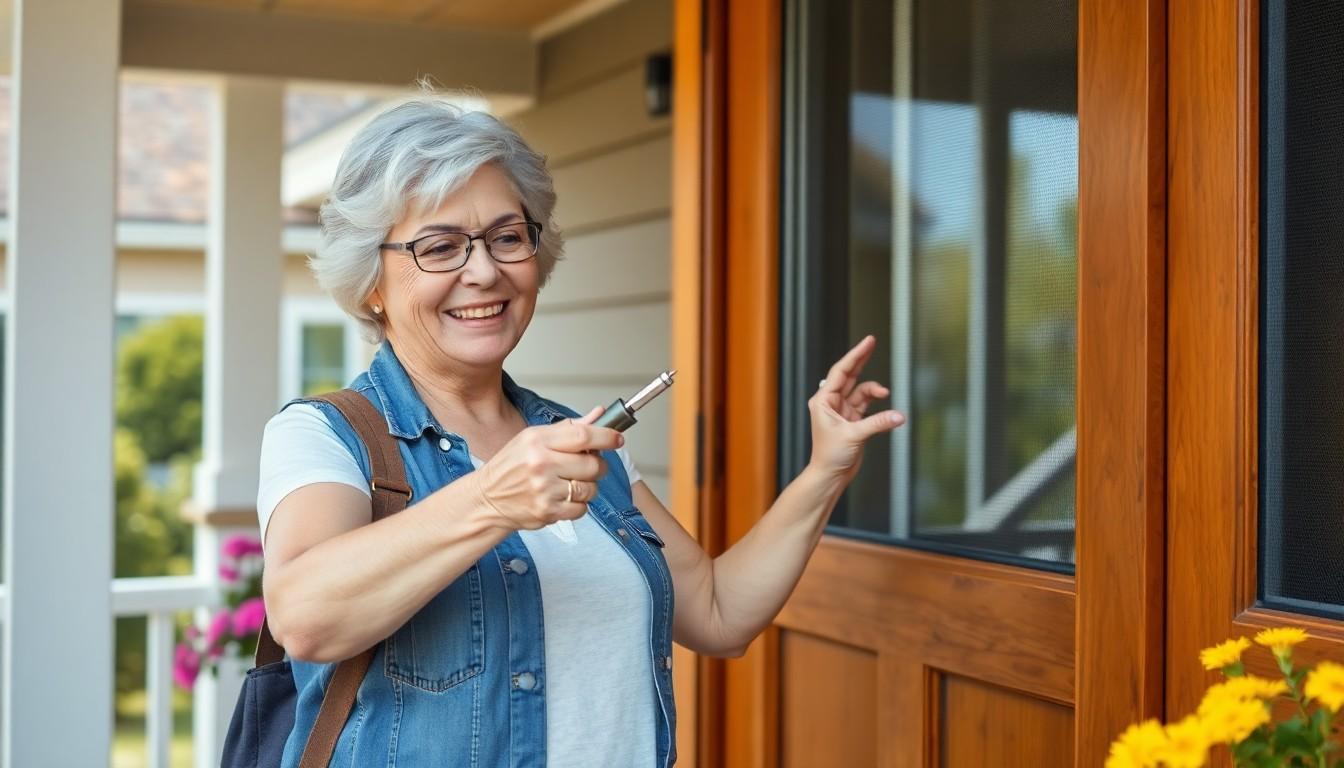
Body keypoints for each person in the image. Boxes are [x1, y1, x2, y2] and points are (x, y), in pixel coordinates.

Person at [258, 98, 905, 768]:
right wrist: (490, 500)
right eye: (440, 246)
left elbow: (719, 614)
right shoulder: (326, 435)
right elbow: (305, 616)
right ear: (373, 284)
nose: (483, 271)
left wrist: (824, 470)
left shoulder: (578, 441)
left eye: (507, 237)